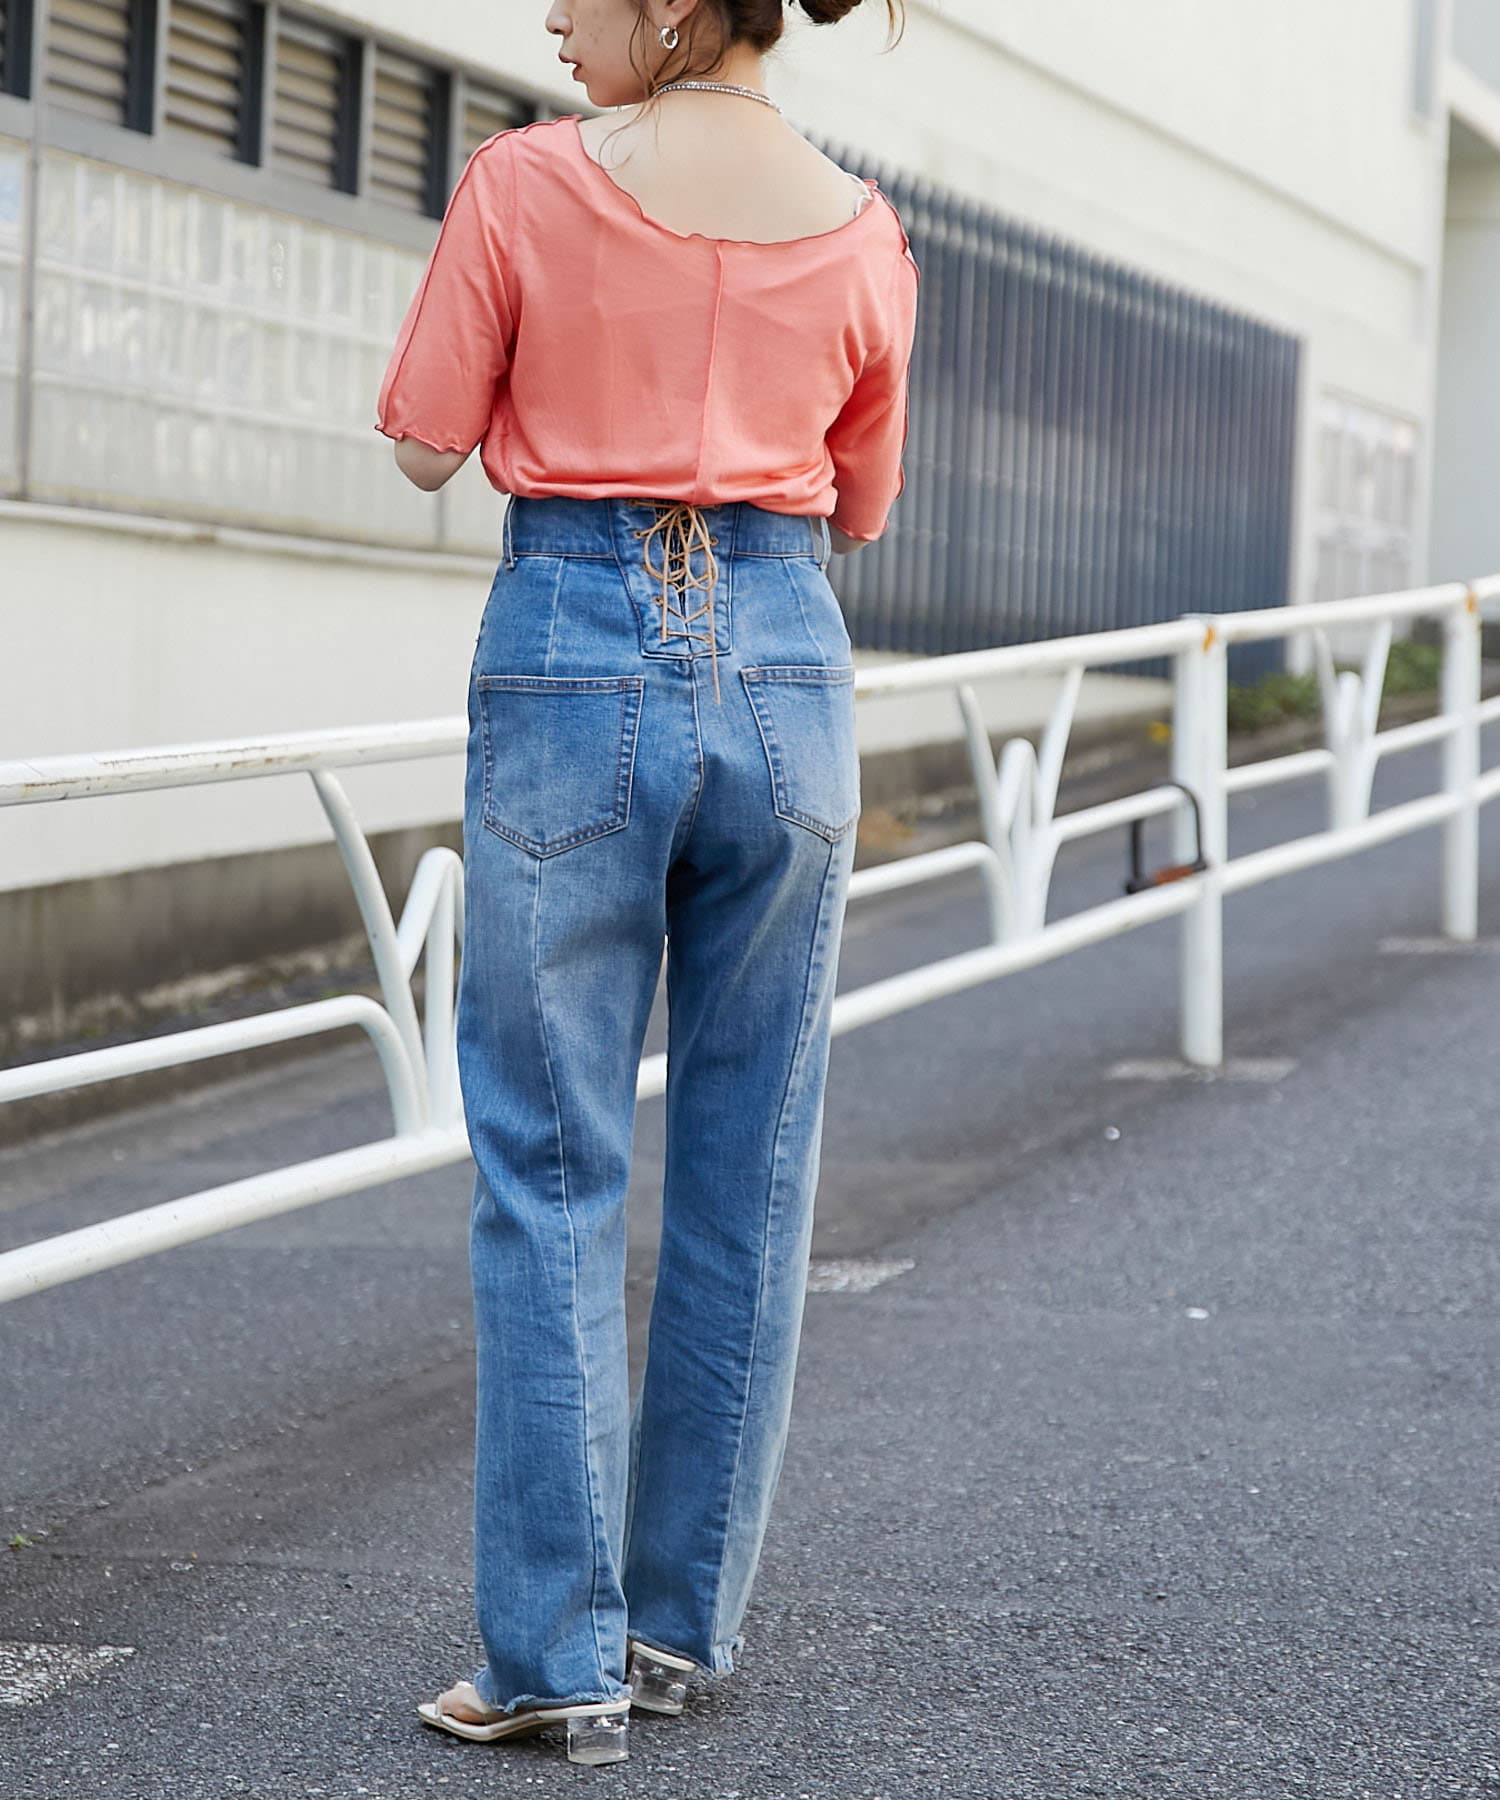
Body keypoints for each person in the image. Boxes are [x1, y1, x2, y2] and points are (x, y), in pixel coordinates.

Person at [375, 0, 917, 1767]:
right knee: (755, 1162)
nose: (550, 13)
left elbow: (422, 437)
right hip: (787, 665)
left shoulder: (525, 181)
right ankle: (677, 1629)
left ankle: (554, 1658)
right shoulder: (866, 228)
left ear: (673, 4)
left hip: (574, 653)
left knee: (548, 1164)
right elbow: (860, 503)